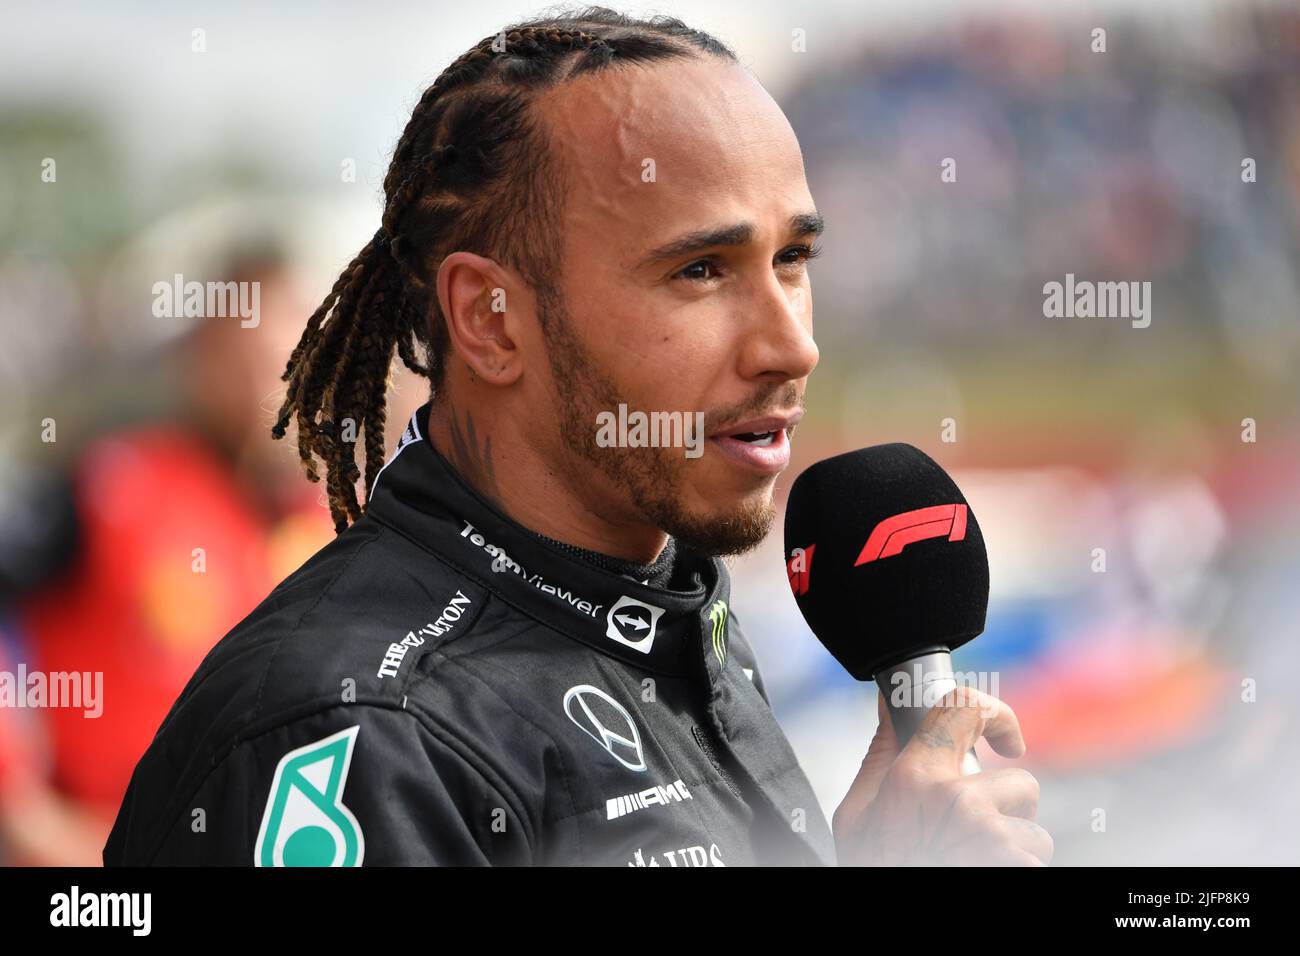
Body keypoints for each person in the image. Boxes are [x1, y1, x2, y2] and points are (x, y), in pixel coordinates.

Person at [104, 6, 1051, 866]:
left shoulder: (674, 609)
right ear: (491, 321)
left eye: (792, 258)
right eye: (700, 271)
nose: (792, 345)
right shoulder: (353, 744)